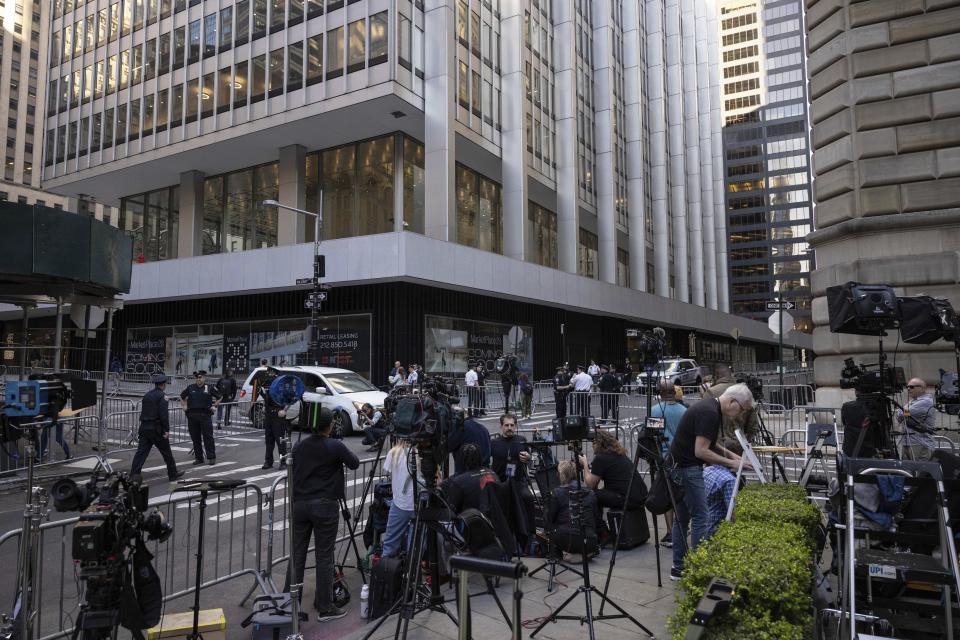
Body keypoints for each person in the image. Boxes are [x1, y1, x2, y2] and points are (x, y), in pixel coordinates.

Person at [668, 384, 751, 580]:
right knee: (700, 518)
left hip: (679, 468)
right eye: (741, 409)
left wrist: (735, 457)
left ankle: (679, 568)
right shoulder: (710, 413)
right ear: (732, 402)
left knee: (682, 519)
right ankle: (699, 569)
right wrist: (732, 462)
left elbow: (711, 444)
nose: (740, 415)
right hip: (688, 469)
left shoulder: (708, 407)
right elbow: (701, 451)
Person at [287, 406, 359, 622]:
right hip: (324, 505)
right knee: (324, 556)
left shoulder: (299, 446)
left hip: (300, 504)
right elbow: (354, 463)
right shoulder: (334, 445)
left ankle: (289, 605)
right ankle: (325, 606)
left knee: (297, 554)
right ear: (330, 425)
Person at [650, 381, 687, 547]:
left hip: (664, 457)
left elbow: (653, 434)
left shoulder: (656, 409)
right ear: (674, 392)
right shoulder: (684, 410)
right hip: (682, 456)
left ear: (661, 393)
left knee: (667, 493)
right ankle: (682, 528)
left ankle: (671, 532)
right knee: (681, 494)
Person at [130, 374, 184, 482]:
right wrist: (166, 430)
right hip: (156, 429)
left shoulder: (147, 395)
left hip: (144, 427)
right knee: (166, 452)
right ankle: (173, 474)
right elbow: (163, 415)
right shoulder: (163, 396)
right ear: (164, 384)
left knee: (141, 453)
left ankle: (133, 475)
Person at [546, 459, 603, 555]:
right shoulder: (590, 492)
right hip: (590, 541)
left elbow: (549, 518)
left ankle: (555, 551)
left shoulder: (557, 492)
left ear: (562, 475)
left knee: (549, 518)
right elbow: (596, 518)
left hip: (567, 540)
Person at [581, 429, 648, 511]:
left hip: (627, 499)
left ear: (601, 443)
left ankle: (597, 522)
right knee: (599, 492)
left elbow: (590, 485)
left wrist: (584, 463)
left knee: (589, 495)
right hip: (640, 496)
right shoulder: (619, 454)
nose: (592, 446)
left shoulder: (601, 458)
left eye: (594, 443)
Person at [702, 365, 760, 442]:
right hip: (740, 441)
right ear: (730, 375)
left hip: (718, 443)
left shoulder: (711, 392)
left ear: (716, 376)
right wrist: (747, 441)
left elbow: (704, 422)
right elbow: (752, 425)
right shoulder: (744, 391)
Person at [441, 443, 500, 513]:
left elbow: (451, 509)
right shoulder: (493, 473)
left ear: (461, 459)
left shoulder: (459, 481)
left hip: (471, 520)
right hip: (495, 518)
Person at [381, 440, 416, 557]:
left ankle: (385, 569)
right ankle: (412, 567)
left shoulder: (394, 453)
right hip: (419, 504)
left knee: (390, 543)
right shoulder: (425, 453)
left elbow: (390, 475)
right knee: (415, 545)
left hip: (400, 503)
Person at [180, 370, 221, 465]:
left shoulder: (209, 387)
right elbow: (182, 396)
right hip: (192, 416)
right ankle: (199, 458)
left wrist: (215, 406)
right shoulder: (190, 387)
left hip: (205, 415)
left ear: (204, 378)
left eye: (200, 377)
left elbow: (220, 396)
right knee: (195, 438)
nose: (199, 379)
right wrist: (184, 406)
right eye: (197, 378)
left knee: (208, 437)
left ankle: (211, 457)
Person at [896, 377, 938, 460]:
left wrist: (903, 413)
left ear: (922, 389)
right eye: (907, 387)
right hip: (909, 442)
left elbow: (902, 412)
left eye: (912, 387)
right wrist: (903, 413)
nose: (908, 389)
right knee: (908, 471)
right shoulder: (914, 401)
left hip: (920, 444)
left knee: (919, 472)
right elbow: (901, 413)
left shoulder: (926, 402)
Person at [703, 464, 737, 535]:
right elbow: (733, 514)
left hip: (704, 524)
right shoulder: (729, 479)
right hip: (716, 530)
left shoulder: (707, 470)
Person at [261, 389, 289, 470]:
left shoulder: (282, 386)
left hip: (278, 416)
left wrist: (284, 410)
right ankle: (268, 461)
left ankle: (283, 461)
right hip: (269, 416)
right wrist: (263, 406)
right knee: (269, 440)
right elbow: (265, 398)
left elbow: (290, 400)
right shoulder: (268, 386)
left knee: (280, 441)